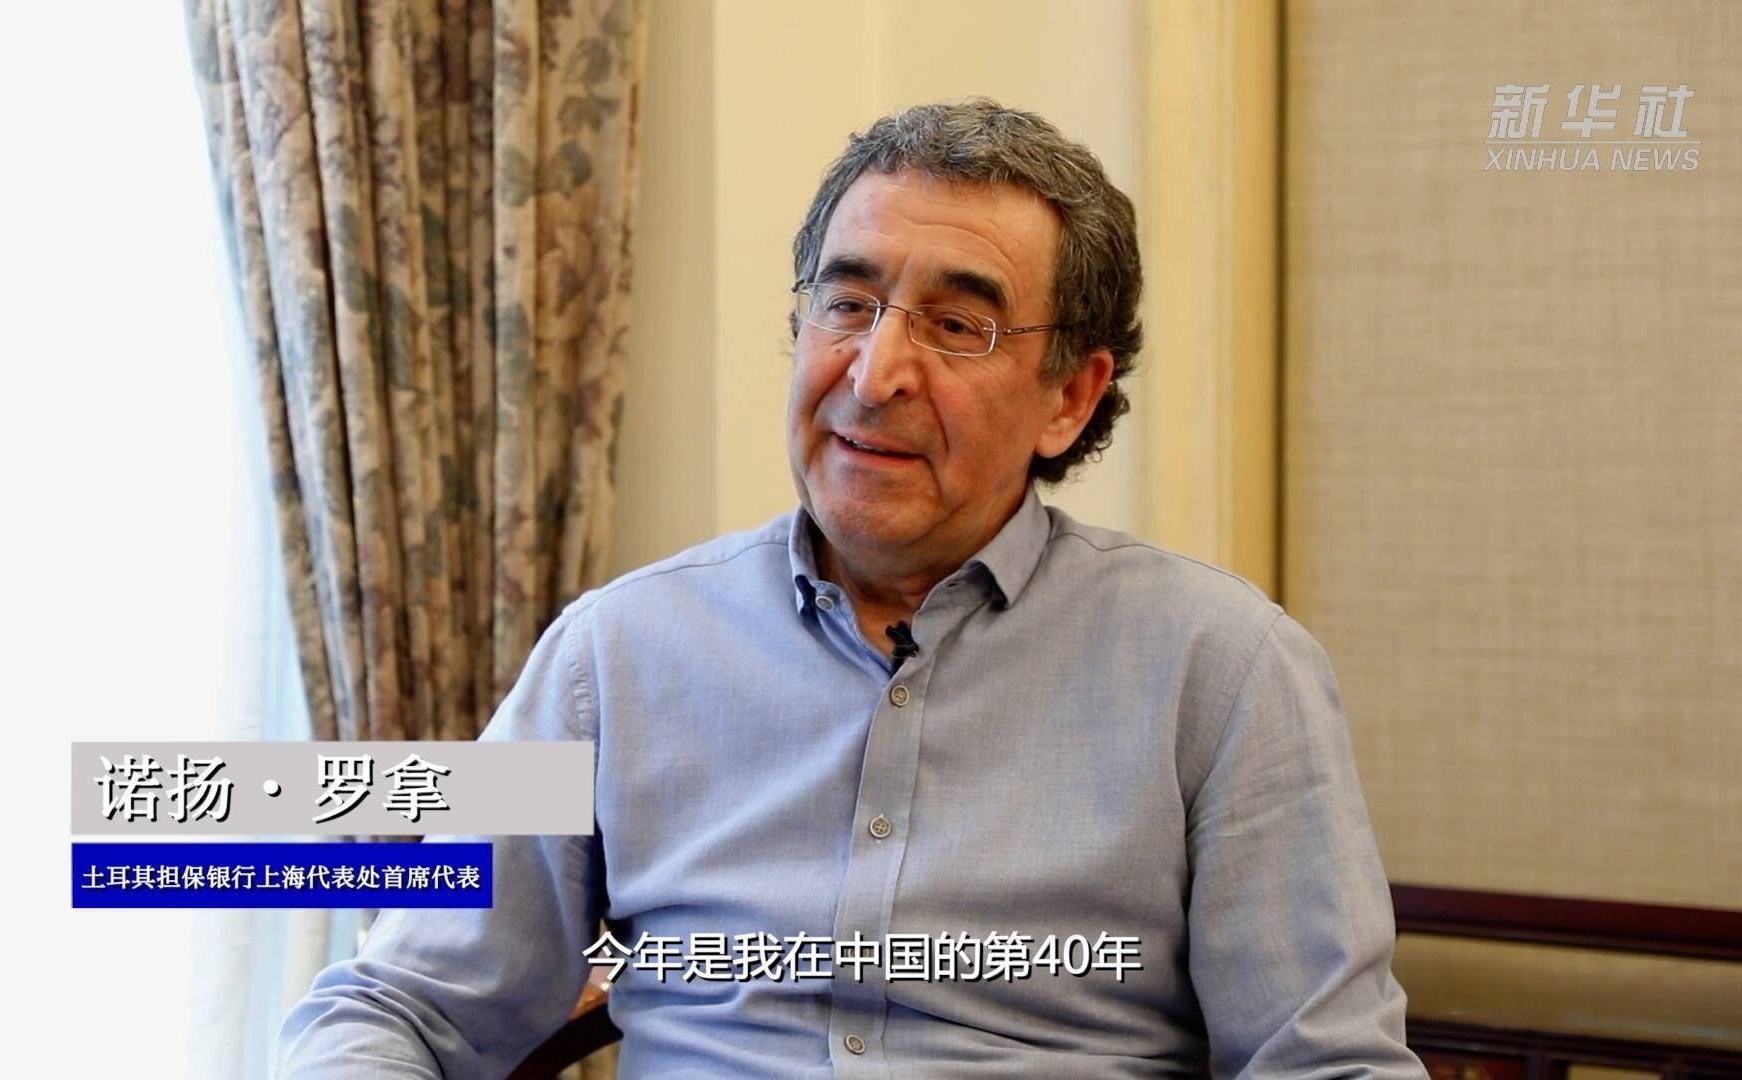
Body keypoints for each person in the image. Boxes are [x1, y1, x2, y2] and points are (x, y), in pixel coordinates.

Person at [281, 98, 1426, 1079]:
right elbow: (399, 1005)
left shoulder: (1224, 671)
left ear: (1069, 398)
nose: (876, 376)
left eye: (957, 325)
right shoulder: (614, 656)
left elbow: (1327, 1065)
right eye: (847, 304)